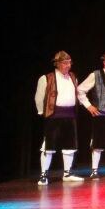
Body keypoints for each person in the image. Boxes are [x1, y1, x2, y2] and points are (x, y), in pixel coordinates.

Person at [34, 51, 83, 185]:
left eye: (69, 63)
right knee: (49, 145)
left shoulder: (73, 77)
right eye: (65, 63)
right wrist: (41, 112)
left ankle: (67, 173)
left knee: (70, 145)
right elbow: (39, 96)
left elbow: (77, 94)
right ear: (57, 64)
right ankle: (43, 175)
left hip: (70, 115)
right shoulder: (47, 78)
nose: (68, 65)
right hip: (54, 115)